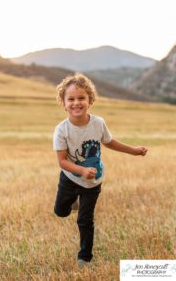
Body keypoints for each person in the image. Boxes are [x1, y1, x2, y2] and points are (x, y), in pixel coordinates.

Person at [53, 73, 148, 268]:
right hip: (70, 178)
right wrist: (81, 169)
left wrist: (133, 151)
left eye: (81, 98)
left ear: (90, 100)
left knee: (85, 220)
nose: (76, 103)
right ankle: (73, 203)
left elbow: (109, 142)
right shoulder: (62, 130)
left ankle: (85, 258)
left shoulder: (98, 123)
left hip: (93, 181)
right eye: (70, 99)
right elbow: (62, 161)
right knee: (60, 211)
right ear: (63, 103)